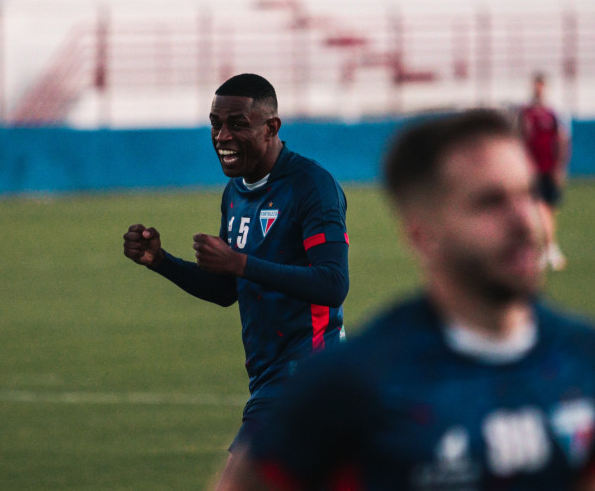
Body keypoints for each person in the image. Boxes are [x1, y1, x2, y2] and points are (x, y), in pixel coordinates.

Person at [221, 109, 595, 490]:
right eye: (490, 202)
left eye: (528, 193)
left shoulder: (584, 361)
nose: (524, 221)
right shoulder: (351, 386)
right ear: (423, 233)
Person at [122, 74, 349, 479]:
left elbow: (333, 285)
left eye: (237, 124)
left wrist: (242, 263)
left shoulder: (311, 187)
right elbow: (228, 290)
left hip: (307, 372)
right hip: (271, 376)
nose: (222, 136)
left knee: (236, 482)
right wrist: (161, 261)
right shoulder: (236, 193)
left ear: (271, 127)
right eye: (215, 123)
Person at [519, 73, 571, 270]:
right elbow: (519, 139)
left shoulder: (553, 114)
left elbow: (562, 140)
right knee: (538, 209)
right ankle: (548, 249)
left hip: (550, 169)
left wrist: (560, 167)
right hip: (532, 170)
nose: (538, 89)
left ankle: (547, 249)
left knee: (548, 210)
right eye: (536, 86)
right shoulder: (525, 114)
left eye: (541, 86)